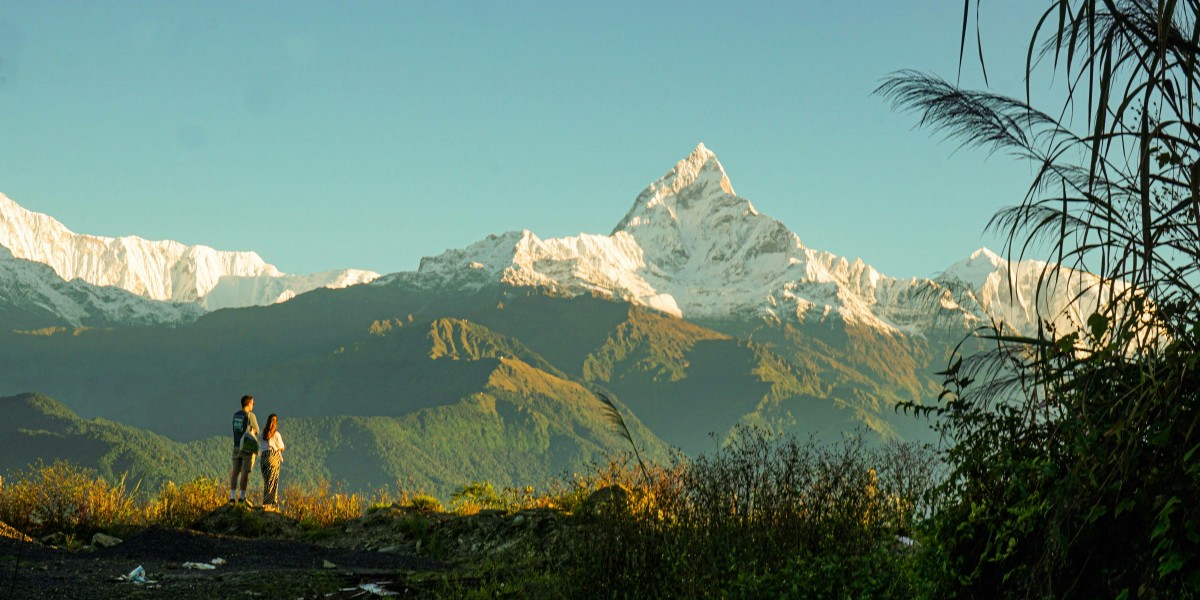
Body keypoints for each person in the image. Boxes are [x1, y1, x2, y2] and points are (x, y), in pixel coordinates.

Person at [228, 395, 259, 505]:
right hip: (246, 448)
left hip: (236, 446)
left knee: (235, 472)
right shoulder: (250, 416)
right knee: (245, 472)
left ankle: (232, 497)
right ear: (248, 403)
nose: (253, 405)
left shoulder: (236, 415)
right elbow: (257, 430)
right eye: (253, 403)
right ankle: (242, 497)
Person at [259, 413, 286, 511]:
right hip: (273, 457)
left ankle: (269, 502)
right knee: (273, 481)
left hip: (263, 457)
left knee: (267, 481)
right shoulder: (276, 434)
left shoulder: (262, 433)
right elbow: (281, 447)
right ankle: (268, 504)